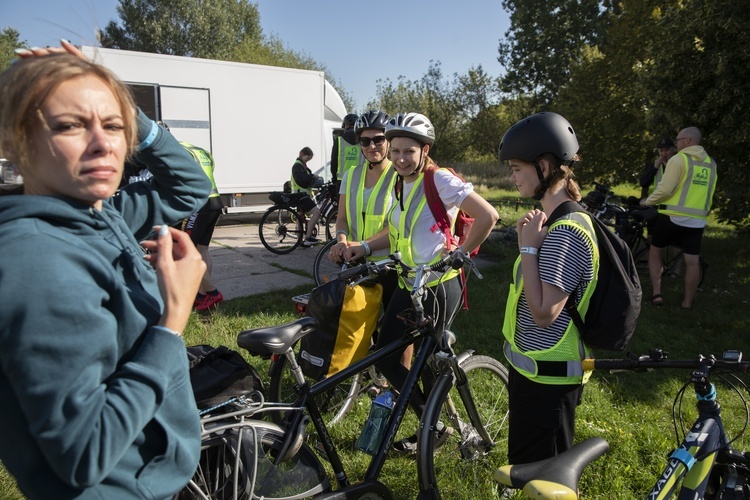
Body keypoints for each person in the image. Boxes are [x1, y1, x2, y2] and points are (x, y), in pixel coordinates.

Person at [0, 42, 210, 498]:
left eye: (114, 125)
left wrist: (122, 106)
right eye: (71, 125)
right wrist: (171, 322)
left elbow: (192, 186)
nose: (103, 144)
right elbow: (84, 454)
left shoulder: (96, 211)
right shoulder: (38, 260)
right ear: (13, 141)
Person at [344, 112, 498, 453]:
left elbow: (488, 215)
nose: (399, 158)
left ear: (424, 150)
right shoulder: (401, 182)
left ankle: (434, 427)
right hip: (409, 283)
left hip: (439, 285)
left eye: (408, 151)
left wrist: (464, 253)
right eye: (395, 150)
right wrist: (369, 251)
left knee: (427, 361)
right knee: (386, 359)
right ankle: (435, 423)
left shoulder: (439, 179)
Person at [498, 111, 595, 465]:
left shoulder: (565, 233)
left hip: (548, 385)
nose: (512, 177)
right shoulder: (552, 223)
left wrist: (528, 247)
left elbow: (544, 313)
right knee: (529, 475)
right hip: (534, 375)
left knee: (543, 479)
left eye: (516, 169)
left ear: (543, 166)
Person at [328, 109, 406, 368]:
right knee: (361, 324)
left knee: (399, 331)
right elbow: (342, 219)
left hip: (393, 264)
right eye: (365, 140)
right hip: (358, 263)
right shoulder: (350, 176)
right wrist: (341, 240)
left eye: (379, 140)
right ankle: (367, 376)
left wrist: (364, 246)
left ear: (389, 141)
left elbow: (399, 225)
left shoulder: (401, 176)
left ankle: (398, 384)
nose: (372, 145)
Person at [641, 126, 717, 308]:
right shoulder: (711, 163)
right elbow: (710, 192)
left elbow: (665, 189)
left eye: (678, 140)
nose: (677, 143)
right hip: (697, 220)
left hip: (671, 216)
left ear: (688, 141)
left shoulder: (679, 160)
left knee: (655, 251)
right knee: (692, 263)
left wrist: (647, 202)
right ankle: (687, 303)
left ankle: (657, 294)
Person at [180, 142, 226, 311]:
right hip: (215, 201)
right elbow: (211, 169)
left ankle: (212, 292)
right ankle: (202, 294)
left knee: (187, 251)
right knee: (202, 250)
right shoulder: (199, 150)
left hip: (199, 204)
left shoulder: (178, 151)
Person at [291, 146, 324, 247]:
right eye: (307, 157)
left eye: (310, 158)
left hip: (303, 194)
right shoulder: (298, 166)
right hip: (301, 195)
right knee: (317, 213)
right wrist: (312, 177)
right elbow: (301, 179)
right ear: (302, 154)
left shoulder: (302, 165)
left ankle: (300, 239)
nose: (308, 160)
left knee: (300, 218)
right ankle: (308, 238)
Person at [330, 113, 365, 193]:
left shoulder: (339, 140)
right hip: (359, 180)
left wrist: (334, 179)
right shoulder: (363, 140)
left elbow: (334, 162)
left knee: (342, 205)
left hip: (341, 180)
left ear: (345, 126)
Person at [640, 137, 676, 201]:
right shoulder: (656, 164)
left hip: (673, 204)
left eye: (667, 150)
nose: (664, 154)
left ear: (673, 149)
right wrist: (654, 168)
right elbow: (643, 183)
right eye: (661, 151)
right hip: (658, 204)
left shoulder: (679, 163)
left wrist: (668, 168)